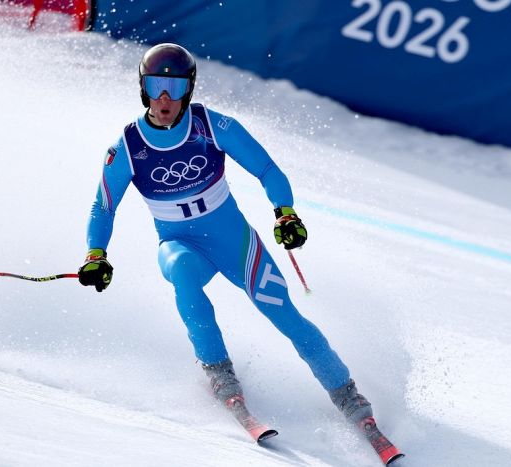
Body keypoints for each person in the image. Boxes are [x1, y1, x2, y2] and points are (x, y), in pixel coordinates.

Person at [77, 43, 400, 462]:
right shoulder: (127, 145)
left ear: (188, 90)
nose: (164, 99)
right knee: (184, 276)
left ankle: (351, 401)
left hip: (234, 241)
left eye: (174, 88)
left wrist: (285, 214)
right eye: (156, 86)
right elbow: (103, 205)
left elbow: (267, 169)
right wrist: (95, 254)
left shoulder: (213, 125)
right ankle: (221, 381)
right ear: (143, 87)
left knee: (284, 314)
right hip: (181, 245)